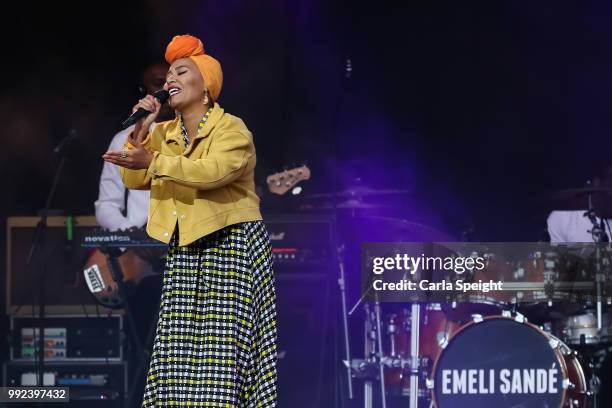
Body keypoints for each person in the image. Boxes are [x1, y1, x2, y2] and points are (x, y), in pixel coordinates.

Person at [102, 34, 277, 407]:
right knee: (176, 356)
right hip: (186, 249)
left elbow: (212, 173)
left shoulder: (232, 129)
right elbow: (135, 179)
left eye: (181, 72)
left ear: (206, 86)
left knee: (223, 356)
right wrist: (141, 129)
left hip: (231, 245)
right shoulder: (162, 133)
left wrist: (154, 162)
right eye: (167, 77)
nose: (169, 82)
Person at [95, 62, 174, 231]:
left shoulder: (196, 132)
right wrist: (131, 233)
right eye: (160, 83)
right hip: (140, 244)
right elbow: (107, 205)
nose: (167, 91)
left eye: (172, 83)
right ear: (143, 91)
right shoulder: (123, 140)